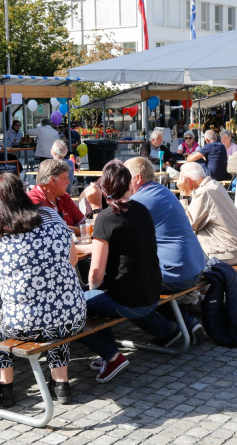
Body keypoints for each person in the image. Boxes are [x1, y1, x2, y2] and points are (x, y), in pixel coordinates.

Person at [0, 173, 85, 406]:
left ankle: (5, 386)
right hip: (74, 316)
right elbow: (72, 258)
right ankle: (61, 384)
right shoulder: (50, 215)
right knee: (55, 309)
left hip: (24, 325)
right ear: (23, 193)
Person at [77, 162, 162, 384]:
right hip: (153, 292)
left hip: (129, 300)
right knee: (95, 301)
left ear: (104, 189)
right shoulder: (142, 210)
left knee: (73, 306)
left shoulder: (106, 217)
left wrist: (92, 291)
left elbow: (95, 272)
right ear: (130, 186)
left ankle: (112, 356)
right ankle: (108, 354)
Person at [123, 157, 207, 344]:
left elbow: (114, 236)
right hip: (195, 267)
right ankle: (189, 323)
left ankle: (167, 333)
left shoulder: (138, 201)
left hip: (178, 273)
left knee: (124, 287)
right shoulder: (163, 191)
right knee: (144, 276)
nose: (122, 182)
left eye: (125, 177)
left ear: (137, 178)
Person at [177, 162, 237, 265]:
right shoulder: (216, 185)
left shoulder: (204, 192)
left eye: (180, 179)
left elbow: (187, 224)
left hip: (228, 252)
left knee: (179, 254)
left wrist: (183, 194)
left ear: (187, 180)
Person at [28, 159, 85, 234]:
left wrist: (78, 229)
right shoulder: (34, 200)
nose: (69, 182)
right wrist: (79, 230)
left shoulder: (64, 196)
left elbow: (83, 223)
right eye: (65, 178)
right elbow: (52, 230)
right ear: (52, 180)